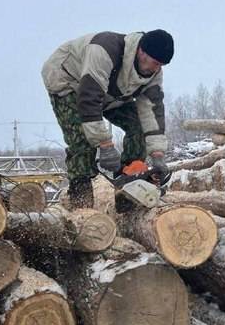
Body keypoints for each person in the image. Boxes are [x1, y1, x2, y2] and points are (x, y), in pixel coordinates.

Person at [42, 29, 173, 208]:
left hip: (111, 92)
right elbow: (90, 99)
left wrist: (157, 154)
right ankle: (82, 202)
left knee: (139, 126)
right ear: (141, 51)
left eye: (161, 65)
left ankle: (129, 181)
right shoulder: (104, 50)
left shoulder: (154, 73)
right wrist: (105, 145)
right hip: (69, 81)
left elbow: (151, 111)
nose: (157, 69)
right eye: (156, 63)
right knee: (82, 141)